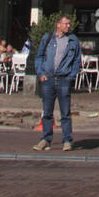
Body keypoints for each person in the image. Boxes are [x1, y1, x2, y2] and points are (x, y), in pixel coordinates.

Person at [33, 16, 81, 152]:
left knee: (65, 112)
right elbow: (40, 55)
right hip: (48, 78)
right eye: (66, 24)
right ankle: (45, 139)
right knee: (47, 111)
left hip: (63, 78)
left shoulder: (73, 40)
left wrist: (71, 75)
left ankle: (67, 140)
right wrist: (41, 73)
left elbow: (77, 60)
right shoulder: (48, 38)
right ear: (58, 25)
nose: (68, 26)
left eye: (69, 24)